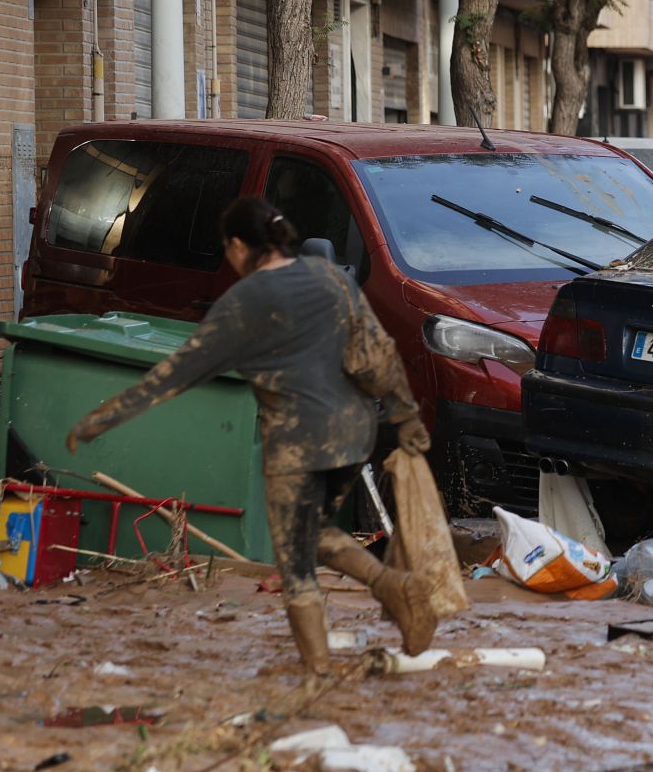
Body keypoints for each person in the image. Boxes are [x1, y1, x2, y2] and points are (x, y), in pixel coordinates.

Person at [67, 196, 440, 678]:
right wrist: (407, 417)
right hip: (354, 434)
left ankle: (320, 670)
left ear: (241, 246)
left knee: (295, 563)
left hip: (299, 445)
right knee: (311, 534)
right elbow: (379, 351)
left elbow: (175, 374)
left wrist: (101, 418)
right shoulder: (329, 277)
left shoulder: (243, 303)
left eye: (228, 249)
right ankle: (392, 587)